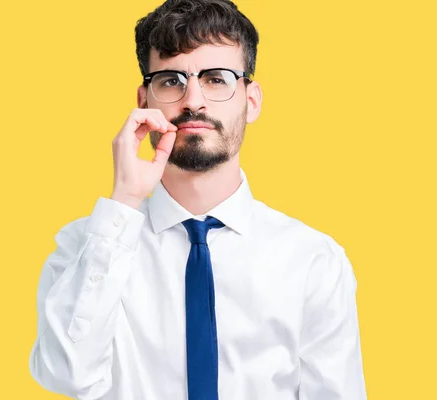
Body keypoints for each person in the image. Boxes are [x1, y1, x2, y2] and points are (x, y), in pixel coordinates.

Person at [28, 0, 367, 399]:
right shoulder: (84, 246)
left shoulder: (313, 261)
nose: (193, 101)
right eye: (171, 80)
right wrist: (123, 202)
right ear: (144, 101)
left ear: (251, 100)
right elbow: (65, 376)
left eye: (216, 78)